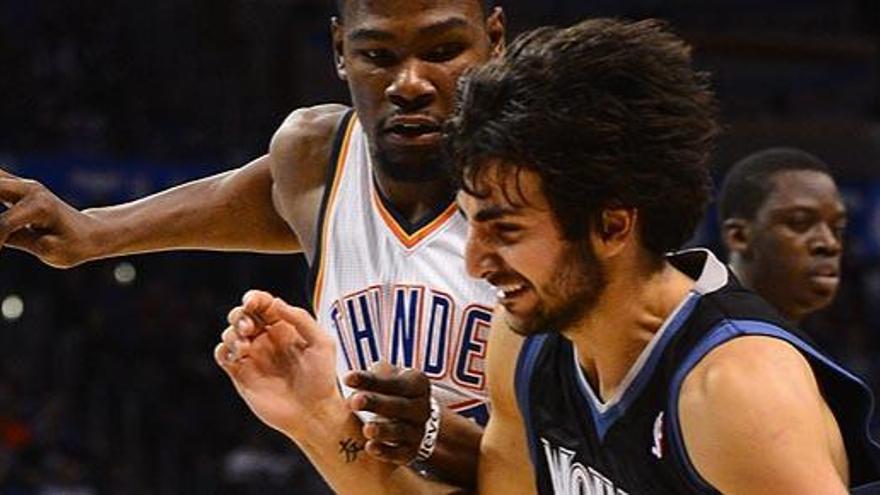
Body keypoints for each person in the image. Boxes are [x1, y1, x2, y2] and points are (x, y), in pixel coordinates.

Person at [216, 18, 880, 494]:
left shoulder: (732, 391)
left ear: (613, 224)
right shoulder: (527, 346)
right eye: (471, 226)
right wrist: (315, 415)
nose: (474, 261)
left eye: (502, 230)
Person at [0, 0, 506, 485]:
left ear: (495, 40)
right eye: (377, 55)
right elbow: (251, 197)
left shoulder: (551, 195)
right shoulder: (315, 160)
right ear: (338, 50)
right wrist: (91, 232)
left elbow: (565, 458)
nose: (410, 83)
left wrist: (433, 435)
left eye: (442, 52)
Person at [718, 147, 847, 324]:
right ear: (739, 236)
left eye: (837, 228)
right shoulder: (716, 331)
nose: (830, 244)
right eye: (799, 222)